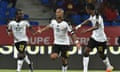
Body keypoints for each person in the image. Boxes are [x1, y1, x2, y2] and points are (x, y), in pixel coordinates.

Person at [75, 3, 113, 72]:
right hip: (94, 38)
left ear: (90, 10)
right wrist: (79, 26)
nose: (86, 10)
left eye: (87, 9)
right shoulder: (92, 15)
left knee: (101, 54)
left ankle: (109, 66)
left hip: (101, 40)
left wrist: (86, 31)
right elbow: (89, 20)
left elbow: (96, 26)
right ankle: (85, 70)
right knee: (86, 52)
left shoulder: (98, 17)